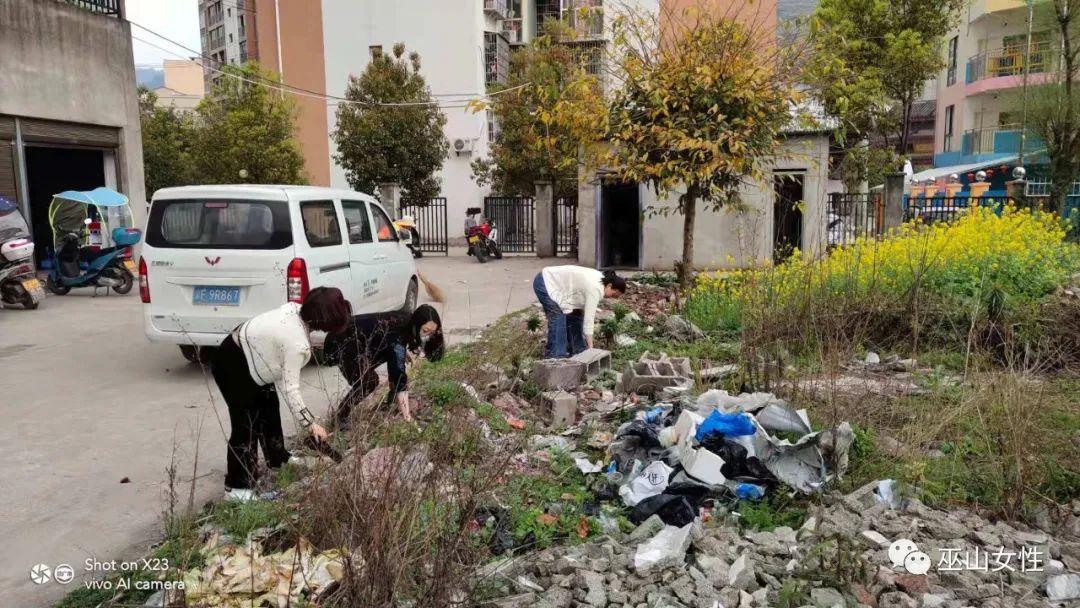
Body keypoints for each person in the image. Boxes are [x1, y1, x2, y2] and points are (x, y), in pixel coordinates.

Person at [210, 287, 351, 502]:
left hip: (252, 359)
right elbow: (291, 389)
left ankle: (277, 459)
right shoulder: (297, 344)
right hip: (232, 361)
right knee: (246, 424)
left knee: (269, 407)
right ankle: (237, 489)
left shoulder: (296, 310)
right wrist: (311, 424)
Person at [323, 304, 445, 426]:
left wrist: (402, 352)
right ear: (416, 324)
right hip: (341, 341)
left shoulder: (407, 321)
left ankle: (391, 401)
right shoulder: (398, 336)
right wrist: (407, 418)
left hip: (355, 340)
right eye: (425, 331)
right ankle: (340, 416)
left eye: (431, 333)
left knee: (391, 360)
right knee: (368, 382)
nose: (427, 336)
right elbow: (399, 377)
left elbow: (390, 340)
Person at [533, 266, 627, 358]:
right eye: (614, 295)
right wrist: (591, 349)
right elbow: (589, 320)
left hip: (558, 285)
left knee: (576, 314)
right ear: (609, 286)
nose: (611, 298)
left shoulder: (601, 280)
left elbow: (581, 295)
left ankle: (578, 351)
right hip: (546, 282)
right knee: (558, 318)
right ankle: (556, 358)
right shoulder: (596, 289)